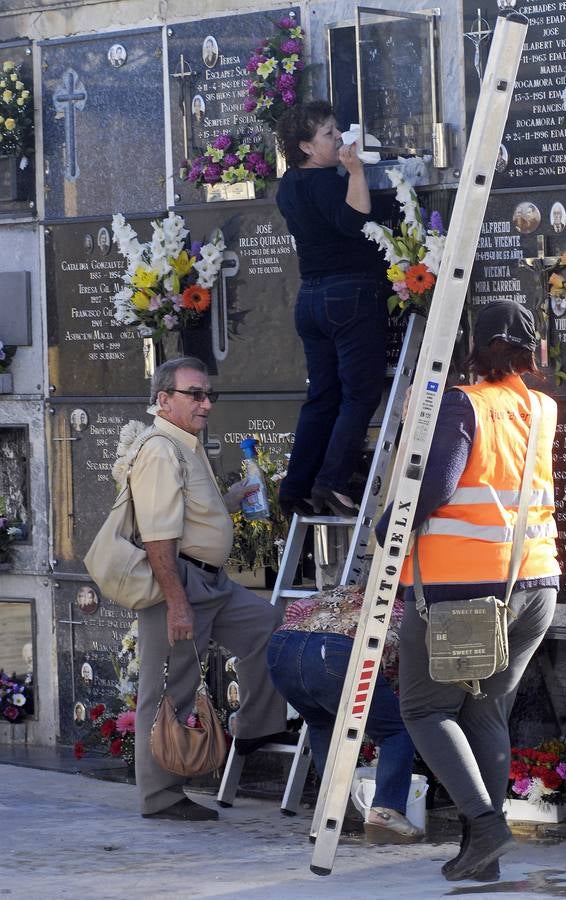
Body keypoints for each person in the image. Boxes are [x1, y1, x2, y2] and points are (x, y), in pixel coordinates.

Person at [377, 300, 559, 882]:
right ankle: (481, 848)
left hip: (461, 592)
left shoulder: (465, 404)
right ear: (529, 351)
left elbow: (435, 485)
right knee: (486, 709)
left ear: (474, 347)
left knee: (426, 708)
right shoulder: (543, 408)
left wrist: (386, 530)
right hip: (535, 582)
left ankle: (484, 826)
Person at [130, 356, 289, 821]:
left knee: (268, 626)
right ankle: (161, 797)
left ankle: (255, 727)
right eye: (194, 395)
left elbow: (190, 514)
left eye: (208, 395)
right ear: (164, 400)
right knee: (169, 687)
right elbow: (158, 535)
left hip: (211, 582)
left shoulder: (186, 444)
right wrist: (176, 602)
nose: (206, 404)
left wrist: (231, 500)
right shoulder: (160, 449)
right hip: (179, 583)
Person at [274, 100, 389, 518]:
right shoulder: (325, 180)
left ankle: (295, 486)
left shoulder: (288, 184)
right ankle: (333, 482)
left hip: (310, 298)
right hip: (349, 294)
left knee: (321, 396)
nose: (340, 137)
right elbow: (354, 221)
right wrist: (356, 172)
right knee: (359, 393)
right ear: (305, 145)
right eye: (328, 133)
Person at [267, 585, 423, 843]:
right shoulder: (404, 610)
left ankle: (331, 814)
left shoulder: (345, 590)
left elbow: (294, 610)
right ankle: (386, 811)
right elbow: (398, 673)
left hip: (281, 648)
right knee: (397, 729)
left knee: (322, 724)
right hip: (338, 652)